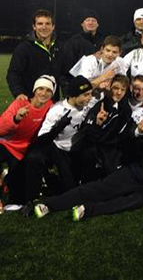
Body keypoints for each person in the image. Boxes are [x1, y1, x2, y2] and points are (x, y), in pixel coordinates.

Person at [33, 129, 143, 221]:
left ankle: (88, 210)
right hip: (136, 172)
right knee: (99, 189)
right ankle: (49, 205)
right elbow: (140, 151)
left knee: (129, 202)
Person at [17, 76, 95, 206]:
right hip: (58, 149)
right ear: (74, 95)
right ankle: (34, 194)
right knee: (34, 158)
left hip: (76, 149)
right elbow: (42, 140)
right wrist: (58, 127)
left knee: (72, 187)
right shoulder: (57, 110)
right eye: (86, 95)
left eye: (91, 94)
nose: (90, 98)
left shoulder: (88, 106)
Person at [0, 75, 56, 196]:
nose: (43, 93)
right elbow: (1, 128)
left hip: (26, 150)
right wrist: (16, 118)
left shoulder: (51, 107)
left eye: (48, 90)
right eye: (40, 89)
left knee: (18, 192)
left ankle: (7, 179)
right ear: (34, 91)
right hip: (8, 145)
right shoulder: (20, 103)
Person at [77, 75, 133, 182]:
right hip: (93, 145)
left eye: (122, 89)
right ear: (110, 87)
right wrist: (97, 123)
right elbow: (86, 132)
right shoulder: (100, 105)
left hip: (110, 148)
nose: (119, 92)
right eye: (116, 88)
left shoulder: (126, 110)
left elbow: (121, 136)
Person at [6, 9, 60, 101]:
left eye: (47, 24)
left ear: (53, 26)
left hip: (53, 102)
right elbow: (13, 73)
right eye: (40, 24)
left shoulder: (59, 47)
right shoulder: (23, 48)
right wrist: (19, 93)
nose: (44, 27)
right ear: (34, 27)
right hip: (31, 101)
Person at [60, 9, 104, 89]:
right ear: (82, 24)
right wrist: (93, 58)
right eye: (87, 20)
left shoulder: (104, 41)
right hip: (79, 86)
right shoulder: (73, 42)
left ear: (97, 24)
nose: (90, 22)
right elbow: (67, 69)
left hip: (101, 85)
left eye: (93, 20)